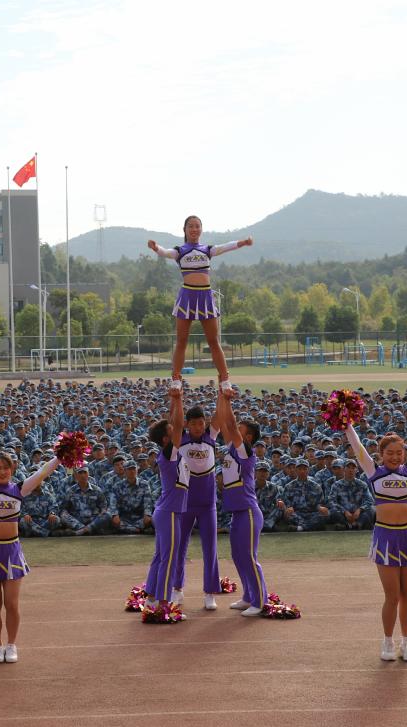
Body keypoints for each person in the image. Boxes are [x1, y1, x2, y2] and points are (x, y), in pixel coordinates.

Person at [346, 420, 407, 662]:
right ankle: (388, 641)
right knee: (392, 596)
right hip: (385, 537)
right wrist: (346, 423)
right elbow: (357, 446)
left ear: (405, 454)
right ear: (380, 455)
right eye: (389, 453)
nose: (394, 457)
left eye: (399, 453)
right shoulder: (373, 472)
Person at [0, 451, 61, 663]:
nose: (2, 472)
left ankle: (12, 644)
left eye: (6, 468)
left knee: (12, 604)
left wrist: (61, 456)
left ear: (12, 469)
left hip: (11, 551)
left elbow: (43, 472)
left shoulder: (19, 489)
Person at [147, 216, 252, 387]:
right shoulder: (179, 251)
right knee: (181, 341)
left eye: (197, 226)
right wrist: (155, 247)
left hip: (205, 297)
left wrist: (244, 242)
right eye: (191, 226)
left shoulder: (208, 250)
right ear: (185, 229)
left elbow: (226, 246)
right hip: (187, 296)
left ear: (201, 229)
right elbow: (165, 252)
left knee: (214, 341)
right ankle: (176, 379)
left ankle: (225, 380)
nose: (194, 229)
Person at [217, 387, 269, 616]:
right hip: (237, 512)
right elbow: (225, 424)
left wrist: (228, 400)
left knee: (248, 557)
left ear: (247, 438)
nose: (235, 431)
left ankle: (260, 601)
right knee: (238, 556)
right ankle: (248, 596)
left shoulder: (246, 452)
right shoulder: (232, 448)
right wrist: (222, 397)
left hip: (248, 511)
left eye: (240, 430)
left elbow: (230, 424)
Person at [143, 385, 190, 616]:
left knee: (161, 556)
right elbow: (178, 424)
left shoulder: (169, 453)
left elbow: (174, 422)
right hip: (169, 512)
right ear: (165, 439)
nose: (177, 430)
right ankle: (163, 603)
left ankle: (151, 599)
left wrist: (174, 398)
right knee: (168, 558)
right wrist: (178, 398)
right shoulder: (169, 453)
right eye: (171, 431)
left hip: (168, 511)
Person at [172, 403, 222, 610]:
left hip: (208, 504)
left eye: (201, 423)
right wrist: (177, 397)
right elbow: (174, 420)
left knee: (210, 548)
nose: (198, 427)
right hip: (185, 503)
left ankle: (210, 593)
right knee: (179, 546)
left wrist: (224, 390)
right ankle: (177, 589)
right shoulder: (180, 439)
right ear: (187, 424)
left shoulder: (211, 436)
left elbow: (220, 414)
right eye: (193, 424)